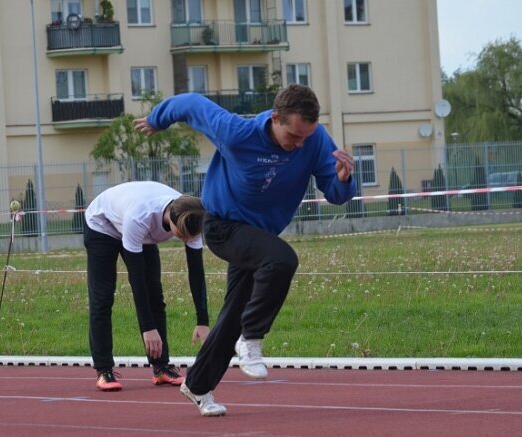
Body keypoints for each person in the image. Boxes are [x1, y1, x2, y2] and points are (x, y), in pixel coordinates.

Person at [134, 84, 356, 416]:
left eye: (305, 138)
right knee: (282, 260)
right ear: (275, 118)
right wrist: (156, 119)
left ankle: (198, 386)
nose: (299, 144)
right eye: (293, 136)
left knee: (233, 313)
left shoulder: (315, 140)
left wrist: (344, 179)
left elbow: (336, 194)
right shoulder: (236, 132)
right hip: (223, 226)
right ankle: (251, 338)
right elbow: (192, 104)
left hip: (257, 235)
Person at [84, 181, 210, 391]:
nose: (184, 240)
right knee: (103, 298)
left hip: (142, 233)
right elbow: (136, 277)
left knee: (155, 295)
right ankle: (103, 369)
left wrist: (203, 321)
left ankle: (161, 367)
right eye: (180, 236)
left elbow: (196, 272)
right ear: (171, 217)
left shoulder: (192, 216)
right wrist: (148, 328)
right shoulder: (139, 216)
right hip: (103, 225)